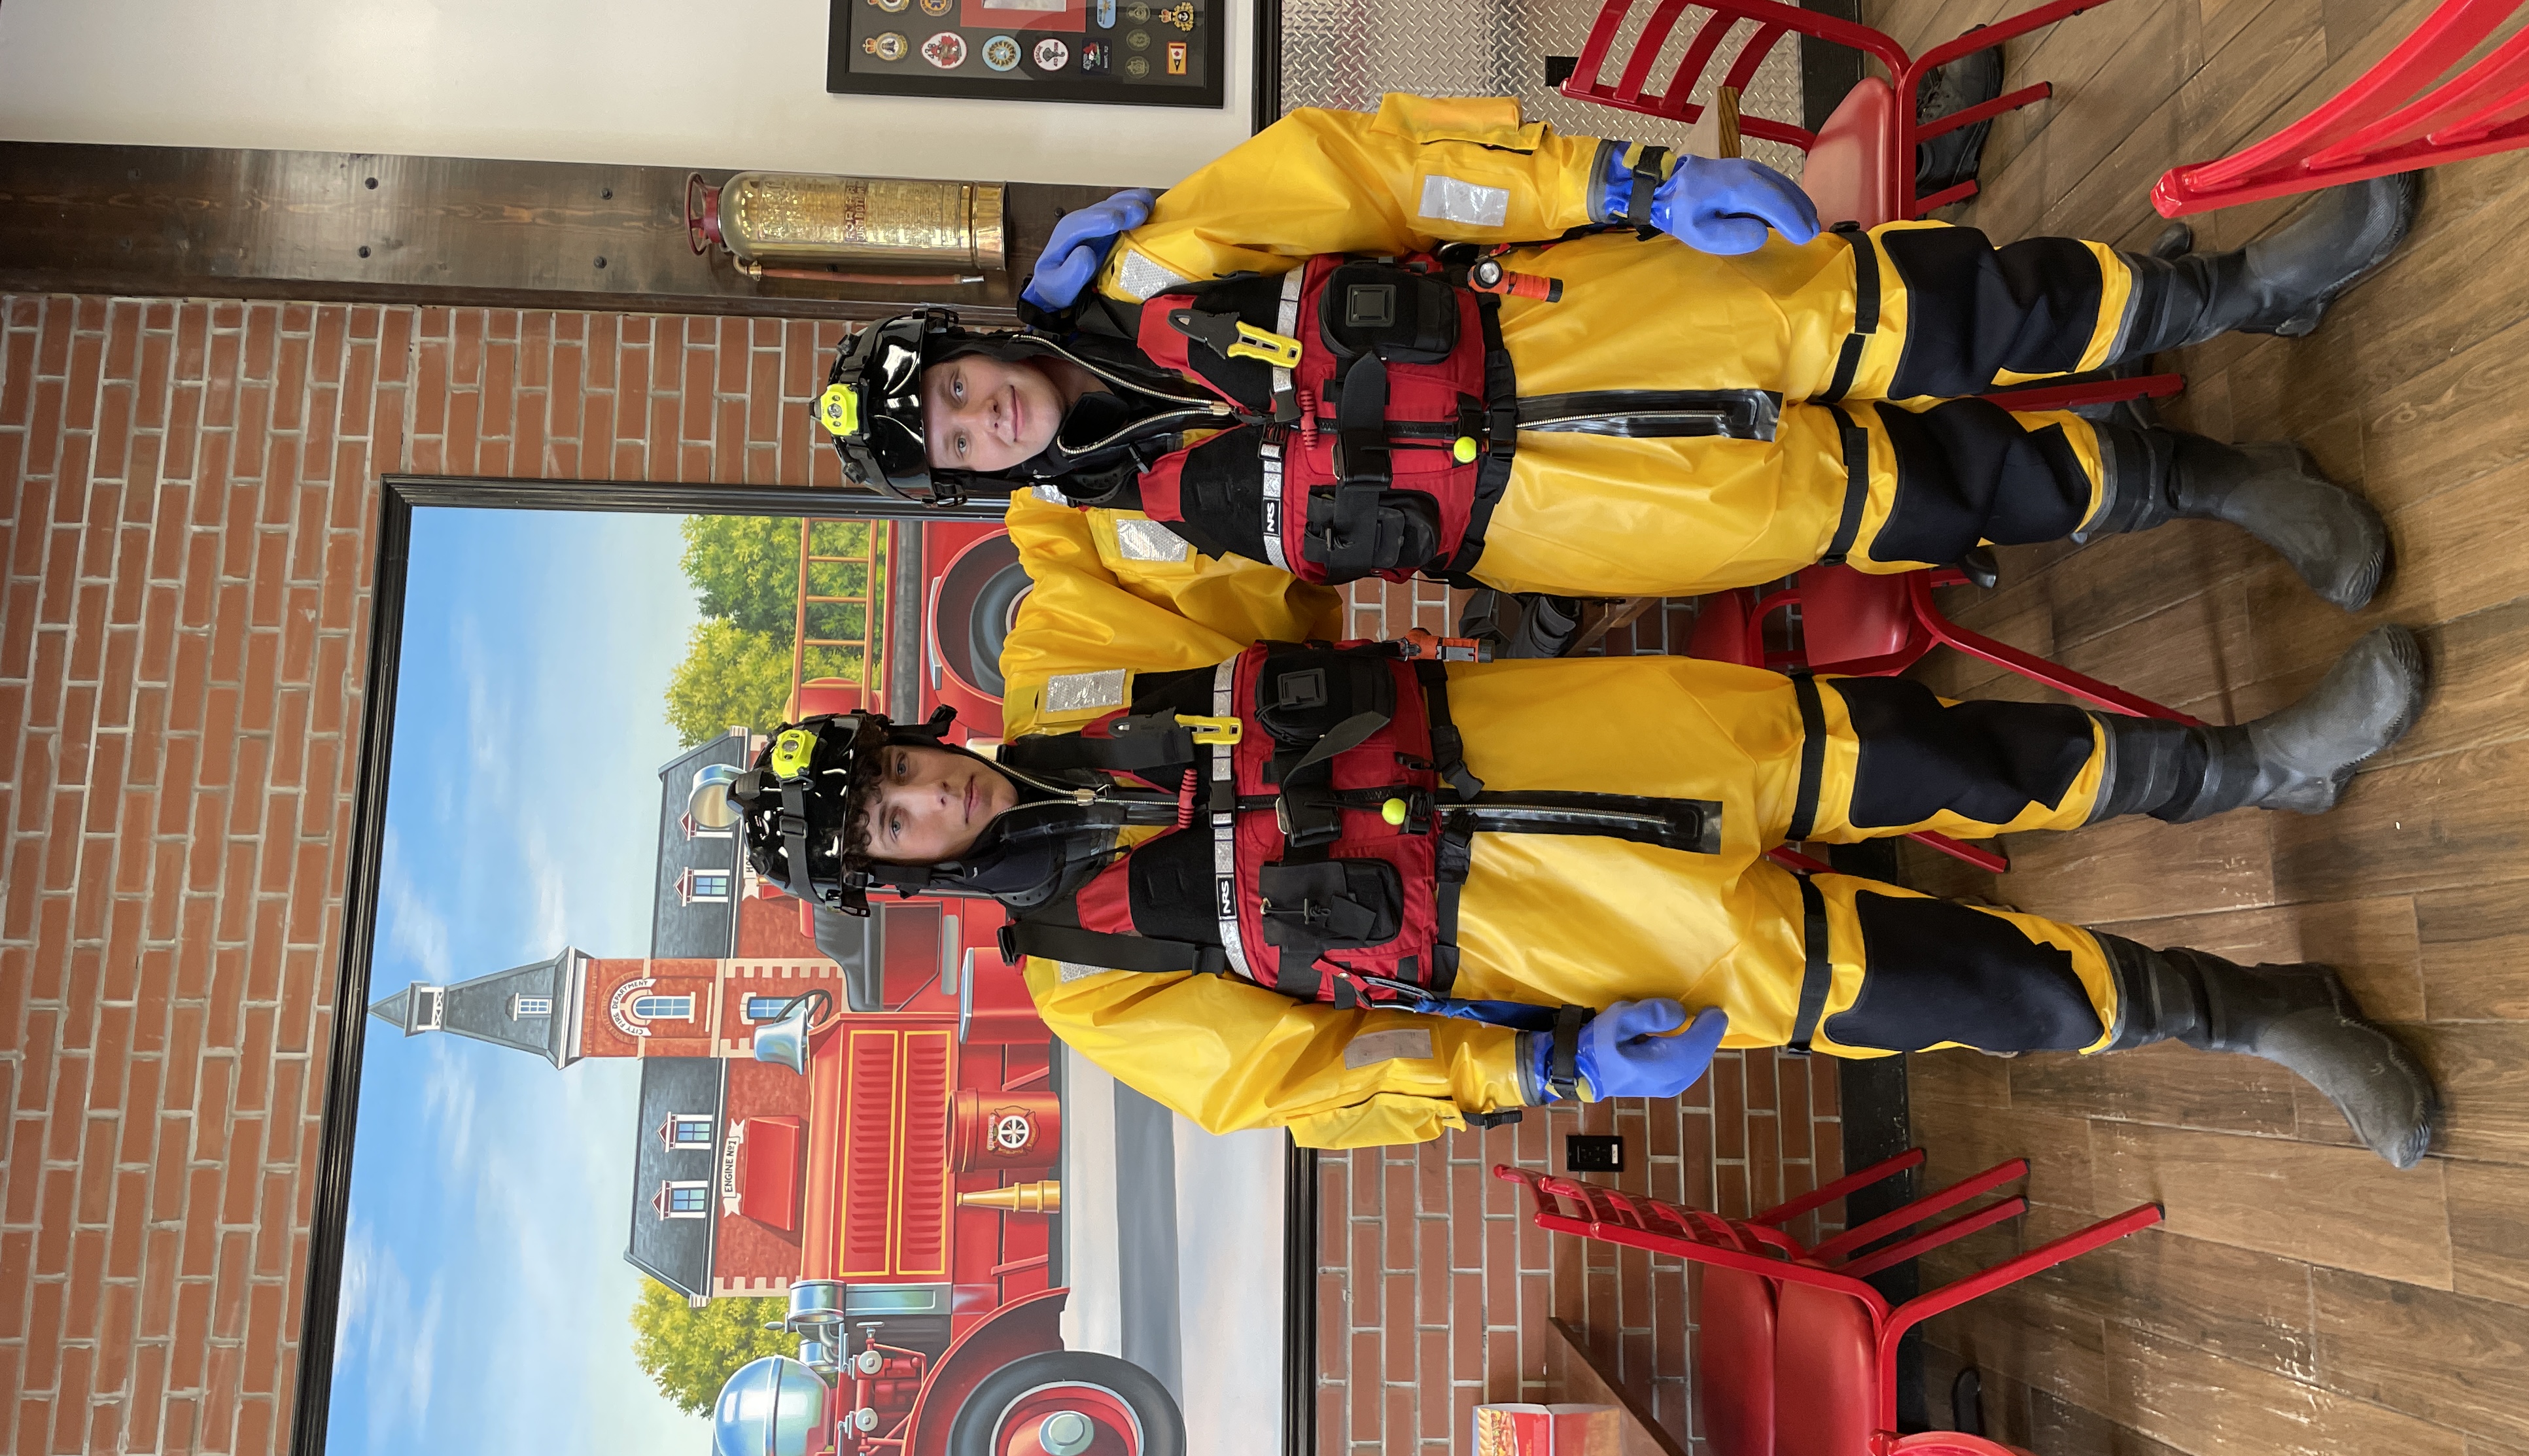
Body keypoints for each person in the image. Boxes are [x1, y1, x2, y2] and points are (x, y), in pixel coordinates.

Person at [732, 494, 2439, 1168]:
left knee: (1963, 757)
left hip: (1621, 735)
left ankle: (2257, 766)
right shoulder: (1091, 983)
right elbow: (1321, 1085)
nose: (921, 798)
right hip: (1588, 941)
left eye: (891, 764)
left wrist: (1072, 357)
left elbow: (1145, 498)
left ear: (909, 730)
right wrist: (1537, 1076)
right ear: (895, 877)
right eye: (888, 825)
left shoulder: (1065, 651)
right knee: (1974, 991)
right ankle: (2266, 1015)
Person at [810, 95, 2416, 625]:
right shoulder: (1124, 539)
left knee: (1937, 308)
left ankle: (2227, 295)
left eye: (955, 383)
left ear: (979, 339)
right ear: (975, 481)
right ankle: (2220, 484)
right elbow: (1218, 666)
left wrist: (1629, 185)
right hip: (1576, 517)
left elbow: (1391, 166)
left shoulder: (1162, 259)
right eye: (956, 441)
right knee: (1921, 495)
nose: (980, 414)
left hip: (1578, 316)